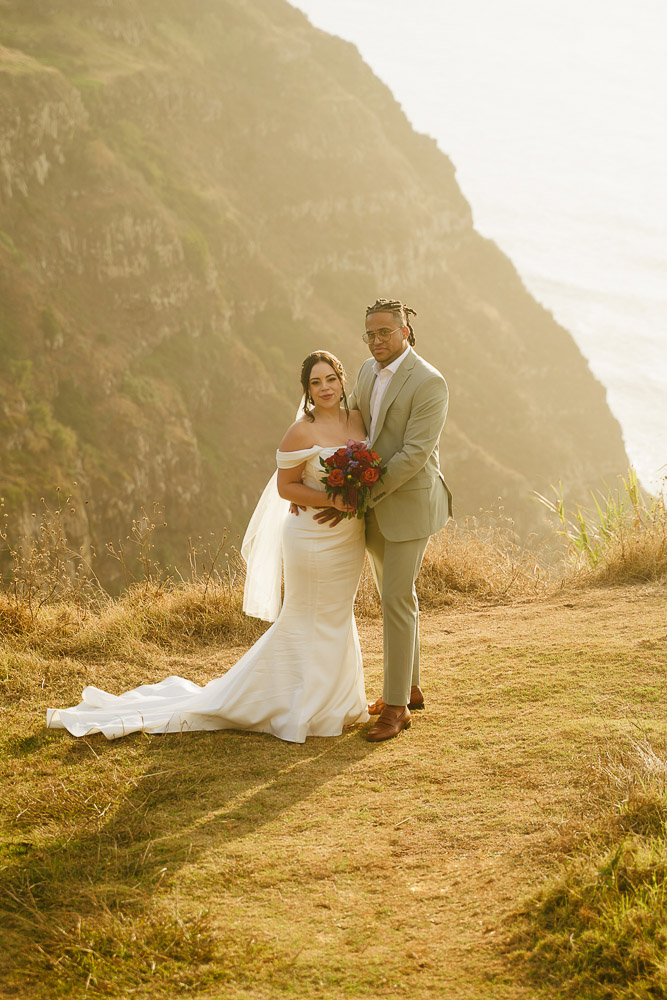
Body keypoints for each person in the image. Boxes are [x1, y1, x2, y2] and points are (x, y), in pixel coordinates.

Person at [47, 351, 371, 743]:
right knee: (304, 616)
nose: (325, 388)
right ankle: (297, 705)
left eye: (331, 379)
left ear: (342, 379)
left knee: (338, 613)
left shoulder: (357, 420)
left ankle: (339, 703)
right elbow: (287, 487)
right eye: (315, 383)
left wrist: (354, 495)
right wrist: (332, 500)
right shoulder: (301, 432)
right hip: (311, 537)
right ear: (306, 390)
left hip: (348, 537)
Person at [315, 299, 452, 742]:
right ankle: (408, 688)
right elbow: (356, 426)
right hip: (370, 504)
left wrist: (362, 493)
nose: (376, 342)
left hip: (408, 503)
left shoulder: (430, 383)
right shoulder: (366, 371)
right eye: (369, 334)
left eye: (384, 333)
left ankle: (395, 708)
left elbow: (414, 454)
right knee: (398, 596)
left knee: (394, 598)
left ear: (405, 331)